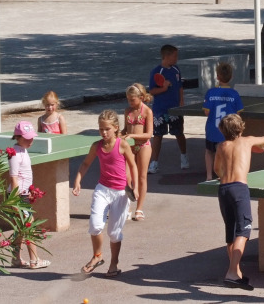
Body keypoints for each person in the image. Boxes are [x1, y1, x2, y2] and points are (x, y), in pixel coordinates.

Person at [73, 110, 138, 277]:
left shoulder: (122, 145)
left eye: (107, 129)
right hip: (102, 189)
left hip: (120, 193)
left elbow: (133, 166)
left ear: (116, 128)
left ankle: (114, 264)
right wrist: (78, 180)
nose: (103, 132)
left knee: (114, 233)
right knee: (95, 226)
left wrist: (135, 186)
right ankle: (97, 256)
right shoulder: (97, 146)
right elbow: (86, 164)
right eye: (101, 129)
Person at [213, 113, 264, 291]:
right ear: (241, 128)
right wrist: (262, 144)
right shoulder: (247, 140)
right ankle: (231, 272)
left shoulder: (221, 146)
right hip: (239, 188)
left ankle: (236, 274)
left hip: (223, 189)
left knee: (231, 233)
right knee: (244, 230)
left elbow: (216, 169)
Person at [7, 121, 50, 270]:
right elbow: (13, 177)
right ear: (17, 137)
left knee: (21, 228)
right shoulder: (14, 154)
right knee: (29, 225)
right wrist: (15, 199)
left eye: (31, 137)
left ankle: (16, 258)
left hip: (23, 195)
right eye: (26, 138)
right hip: (17, 196)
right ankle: (34, 260)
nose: (30, 140)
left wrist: (29, 190)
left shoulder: (22, 150)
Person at [148, 44, 188, 174]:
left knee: (179, 133)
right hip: (160, 109)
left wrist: (181, 100)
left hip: (175, 109)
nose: (176, 58)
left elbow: (180, 87)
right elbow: (152, 91)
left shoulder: (176, 69)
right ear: (166, 56)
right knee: (158, 135)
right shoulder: (156, 71)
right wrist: (164, 88)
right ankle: (154, 163)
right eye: (175, 56)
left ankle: (184, 157)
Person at [202, 62, 244, 180]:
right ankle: (225, 175)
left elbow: (206, 112)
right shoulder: (234, 94)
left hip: (212, 129)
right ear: (231, 77)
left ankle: (209, 176)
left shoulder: (210, 92)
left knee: (209, 151)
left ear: (217, 76)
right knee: (227, 153)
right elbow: (238, 114)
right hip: (227, 131)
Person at [123, 83, 153, 221]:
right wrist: (118, 134)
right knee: (126, 177)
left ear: (141, 97)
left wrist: (133, 136)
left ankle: (139, 208)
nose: (130, 102)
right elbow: (125, 129)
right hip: (129, 147)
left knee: (141, 177)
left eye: (132, 99)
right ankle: (126, 207)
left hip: (143, 147)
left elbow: (148, 134)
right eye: (129, 99)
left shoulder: (147, 111)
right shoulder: (127, 111)